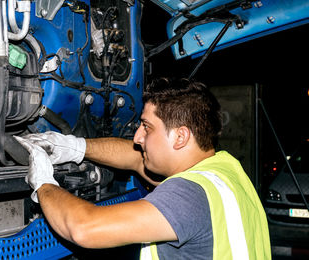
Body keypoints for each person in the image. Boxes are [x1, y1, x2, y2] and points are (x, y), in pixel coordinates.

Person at [14, 78, 271, 259]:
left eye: (147, 127)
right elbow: (135, 158)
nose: (137, 137)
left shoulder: (190, 195)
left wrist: (43, 183)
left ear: (180, 137)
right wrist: (73, 147)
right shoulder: (225, 169)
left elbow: (85, 228)